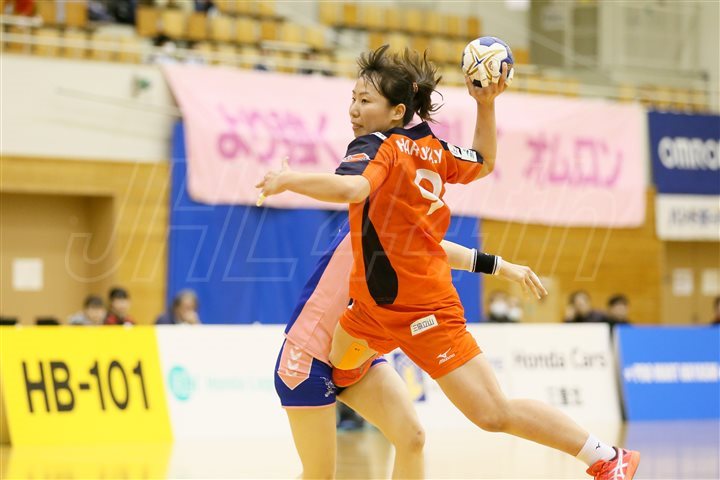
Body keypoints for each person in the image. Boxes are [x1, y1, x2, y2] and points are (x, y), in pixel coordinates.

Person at [258, 45, 639, 480]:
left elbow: (353, 189)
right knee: (335, 399)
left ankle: (605, 457)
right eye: (353, 99)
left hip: (419, 310)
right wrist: (485, 105)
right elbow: (481, 166)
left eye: (365, 100)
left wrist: (289, 180)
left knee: (477, 417)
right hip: (361, 317)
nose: (354, 110)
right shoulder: (430, 154)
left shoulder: (380, 148)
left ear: (398, 110)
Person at [274, 216, 546, 479]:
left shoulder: (396, 224)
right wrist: (499, 266)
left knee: (412, 438)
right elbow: (430, 247)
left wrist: (498, 266)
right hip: (308, 356)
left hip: (356, 352)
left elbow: (430, 248)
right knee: (319, 476)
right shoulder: (372, 213)